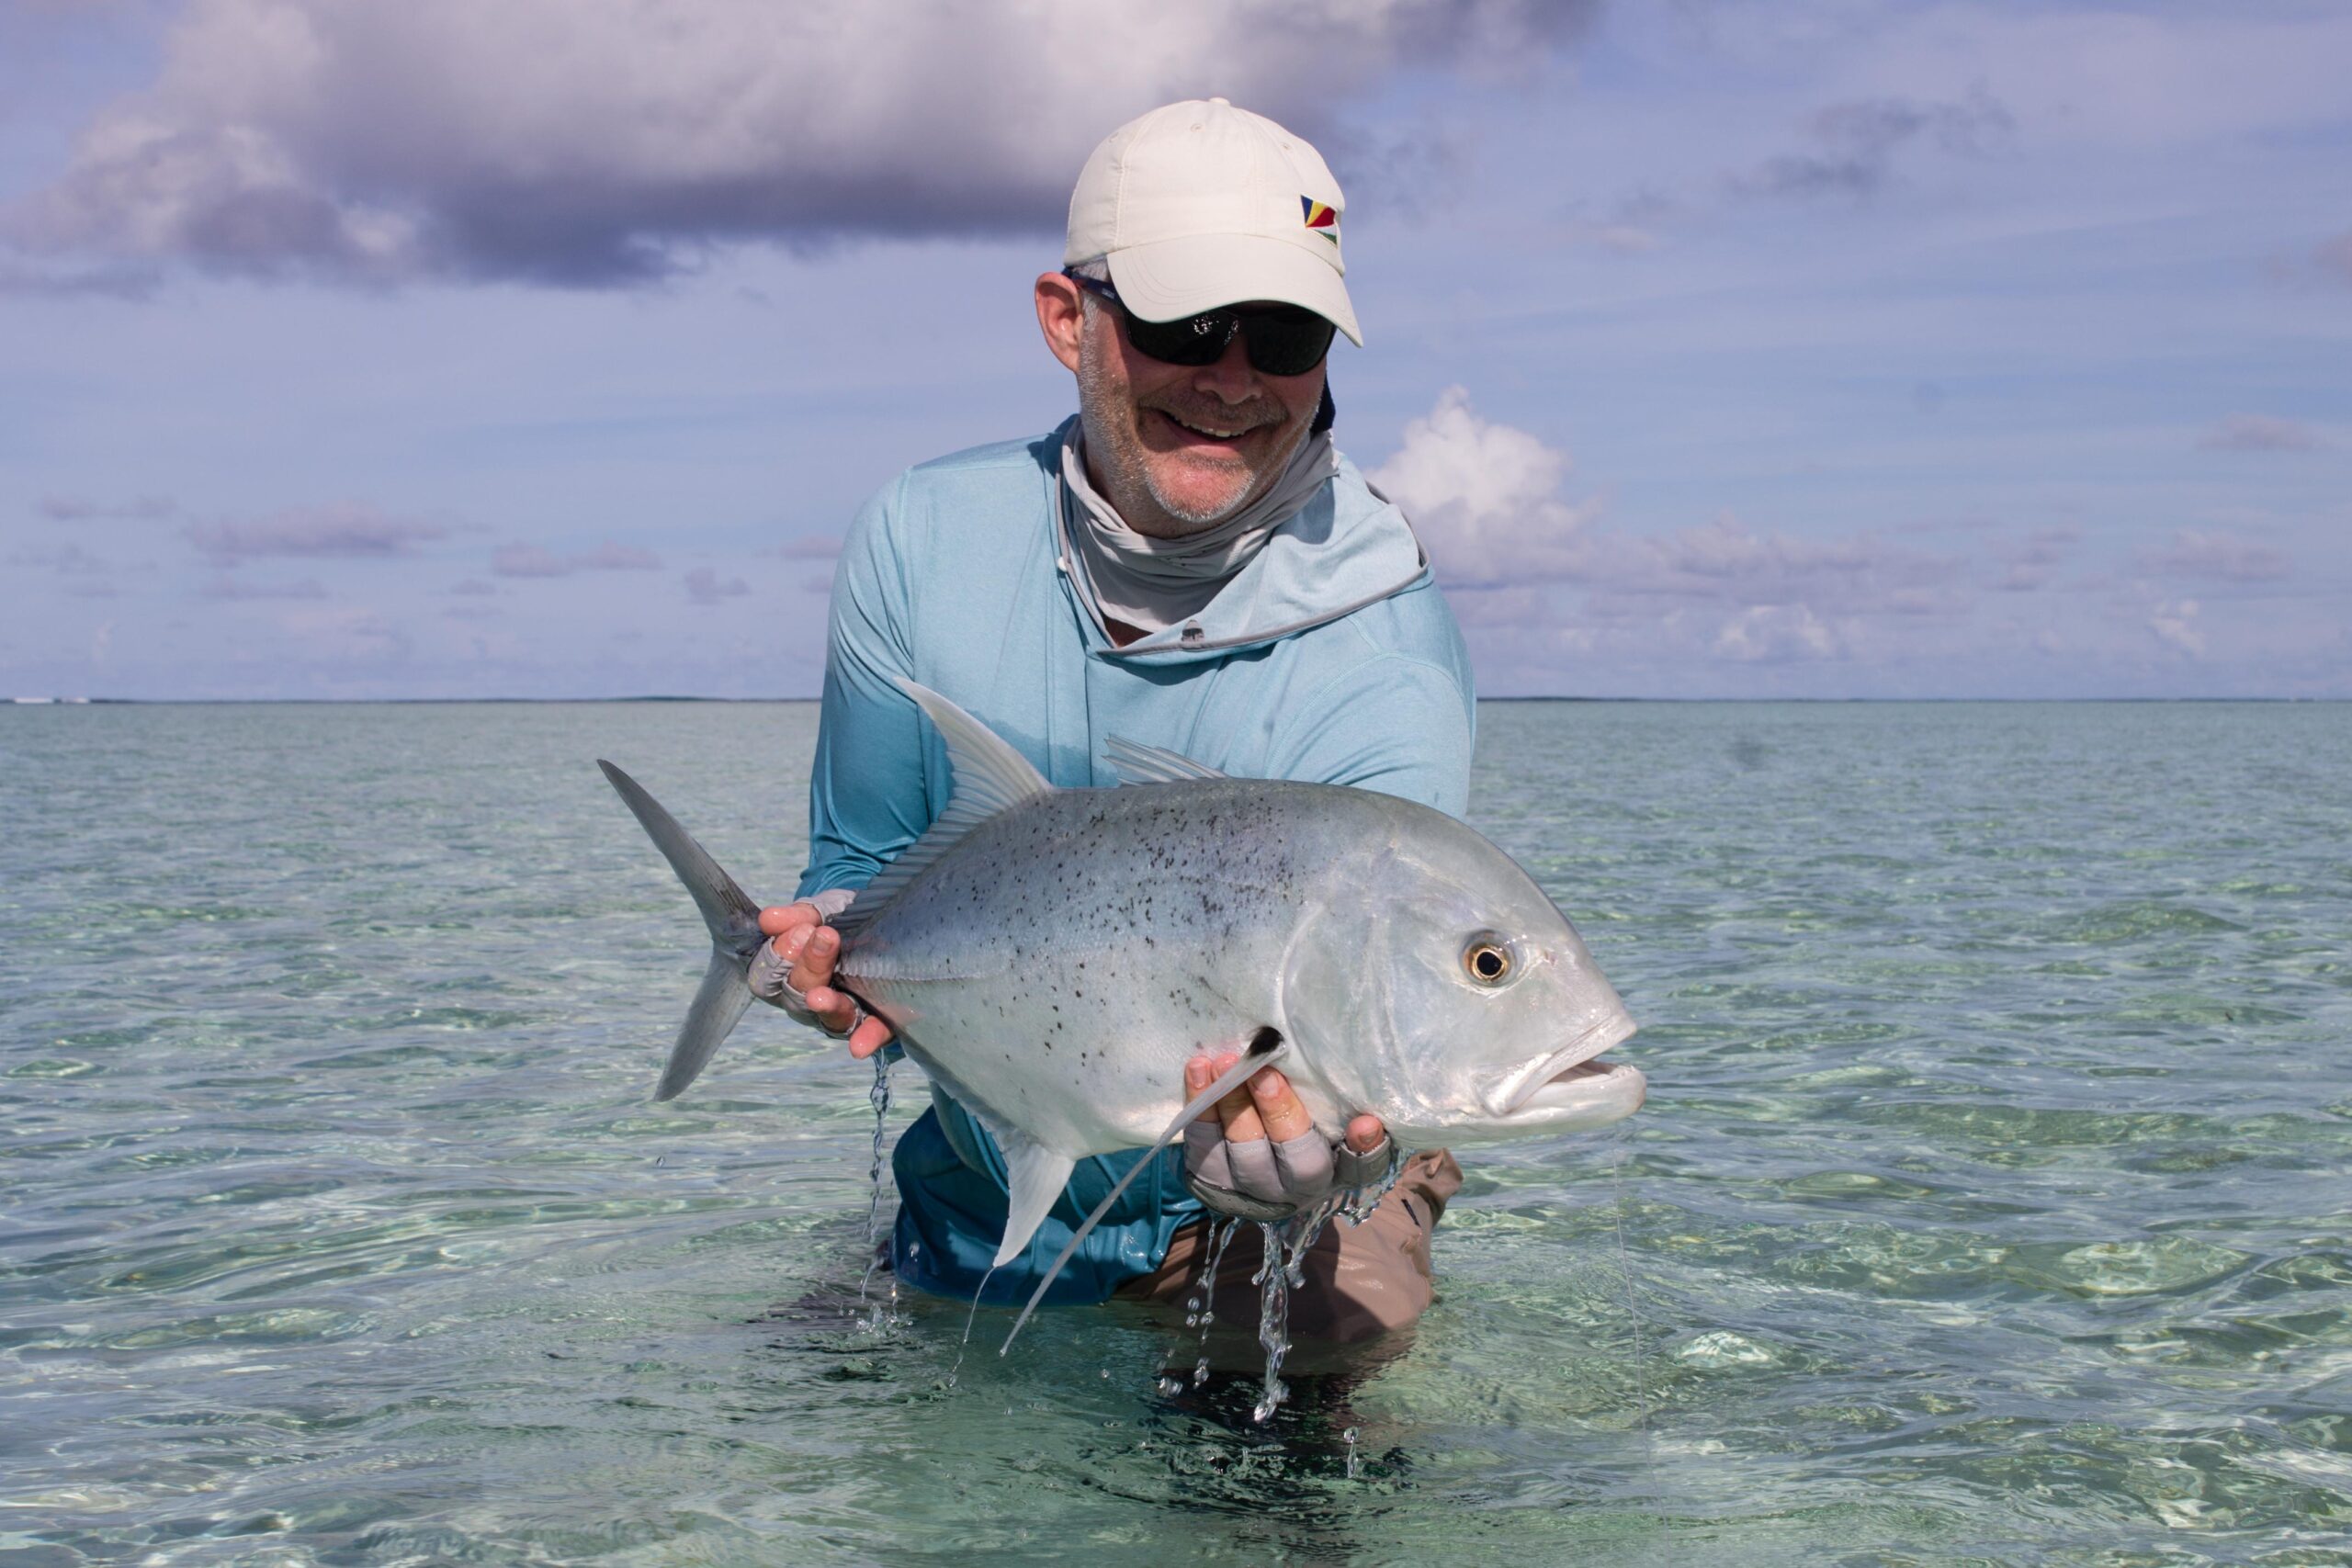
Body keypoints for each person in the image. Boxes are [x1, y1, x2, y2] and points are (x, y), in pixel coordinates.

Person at [751, 99, 1470, 1341]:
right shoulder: (921, 542)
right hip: (982, 1192)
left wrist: (1326, 1169)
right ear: (1066, 317)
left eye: (1287, 333)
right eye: (1185, 322)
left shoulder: (1387, 651)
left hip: (1279, 1210)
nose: (1235, 378)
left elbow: (1380, 1037)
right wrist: (823, 965)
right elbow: (862, 877)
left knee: (1301, 1430)